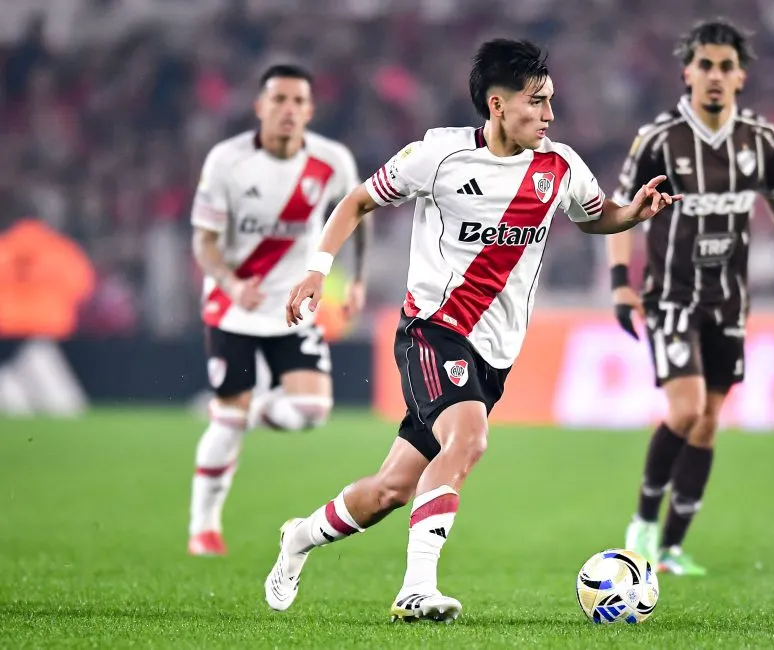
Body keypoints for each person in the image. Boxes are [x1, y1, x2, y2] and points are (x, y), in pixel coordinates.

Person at [264, 38, 680, 622]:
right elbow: (356, 202)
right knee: (469, 440)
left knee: (391, 489)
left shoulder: (559, 167)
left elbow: (595, 216)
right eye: (537, 102)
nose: (550, 115)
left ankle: (298, 538)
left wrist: (631, 214)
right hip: (433, 330)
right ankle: (416, 588)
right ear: (497, 104)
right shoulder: (436, 156)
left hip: (495, 354)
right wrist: (316, 270)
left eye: (551, 101)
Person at [608, 18, 774, 576]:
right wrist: (619, 282)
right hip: (672, 298)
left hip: (730, 302)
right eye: (705, 64)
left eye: (726, 66)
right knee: (684, 411)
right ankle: (642, 525)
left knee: (708, 422)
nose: (715, 76)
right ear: (687, 71)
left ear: (741, 77)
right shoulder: (658, 139)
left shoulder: (760, 138)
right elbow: (620, 211)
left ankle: (674, 547)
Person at [187, 64, 370, 556]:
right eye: (279, 100)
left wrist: (357, 280)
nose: (288, 109)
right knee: (226, 424)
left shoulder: (331, 160)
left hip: (293, 304)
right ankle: (203, 528)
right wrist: (229, 281)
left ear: (309, 110)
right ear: (260, 107)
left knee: (311, 411)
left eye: (297, 102)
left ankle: (243, 414)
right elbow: (203, 241)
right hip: (233, 308)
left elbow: (359, 212)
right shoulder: (227, 161)